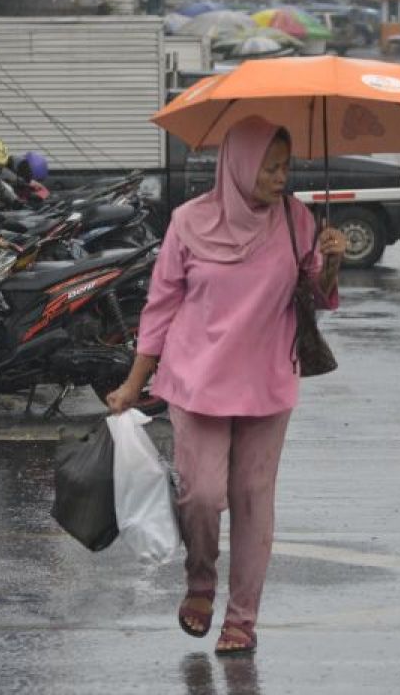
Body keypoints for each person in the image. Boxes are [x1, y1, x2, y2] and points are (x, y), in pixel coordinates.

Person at [106, 116, 347, 656]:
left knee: (252, 499)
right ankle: (200, 583)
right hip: (197, 380)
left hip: (267, 381)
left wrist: (330, 265)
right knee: (202, 496)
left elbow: (317, 295)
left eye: (287, 167)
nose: (281, 177)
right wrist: (132, 385)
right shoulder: (188, 222)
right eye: (271, 166)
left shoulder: (297, 220)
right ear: (239, 163)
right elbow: (161, 304)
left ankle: (242, 619)